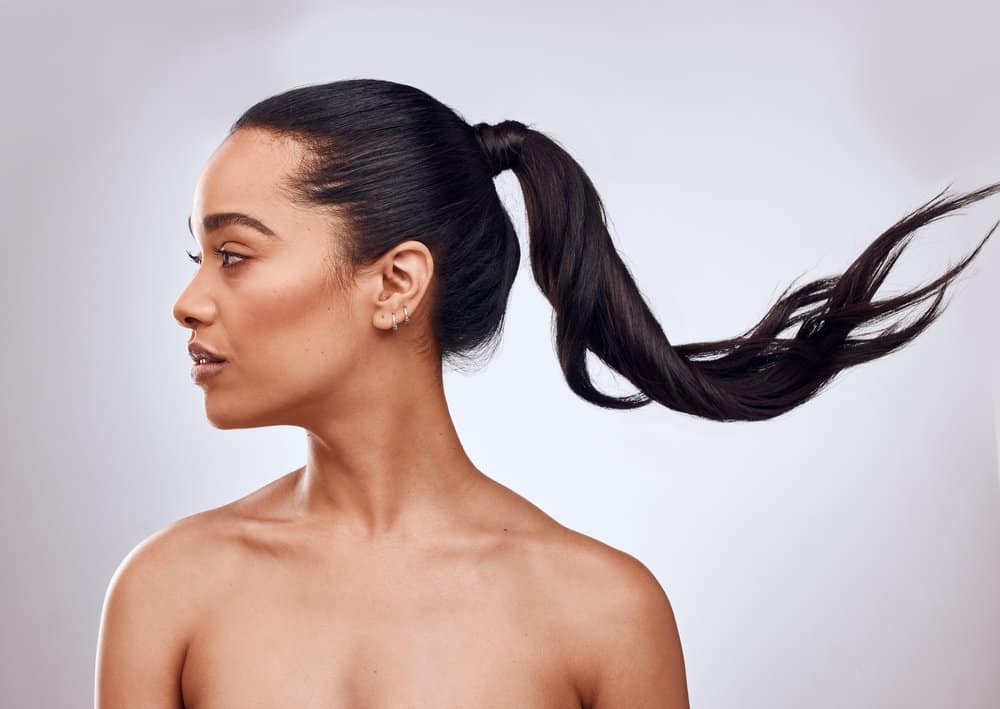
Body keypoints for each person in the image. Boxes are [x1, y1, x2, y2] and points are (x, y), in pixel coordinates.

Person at [95, 78, 998, 709]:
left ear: (396, 283)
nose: (188, 300)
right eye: (197, 257)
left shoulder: (603, 613)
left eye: (236, 255)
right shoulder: (167, 592)